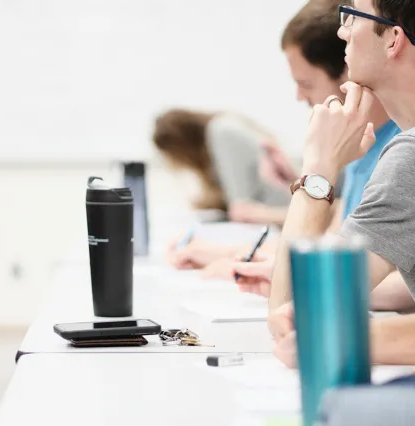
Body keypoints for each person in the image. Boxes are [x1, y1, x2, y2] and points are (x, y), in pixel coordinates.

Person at [166, 0, 403, 279]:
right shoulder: (360, 142)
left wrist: (314, 172)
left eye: (306, 84)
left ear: (347, 68)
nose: (299, 97)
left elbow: (373, 274)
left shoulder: (398, 149)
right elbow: (333, 245)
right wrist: (238, 256)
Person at [269, 0, 415, 367]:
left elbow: (295, 312)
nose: (341, 30)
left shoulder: (410, 156)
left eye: (353, 16)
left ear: (393, 39)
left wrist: (319, 168)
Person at [153, 109, 292, 225]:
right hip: (280, 216)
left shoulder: (221, 131)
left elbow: (240, 209)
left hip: (282, 216)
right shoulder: (220, 129)